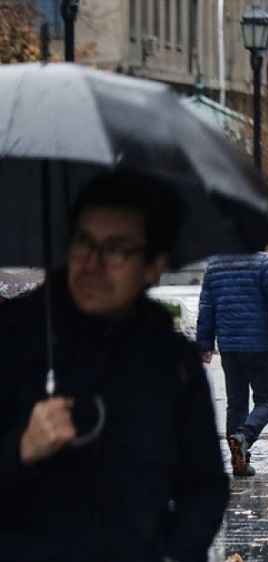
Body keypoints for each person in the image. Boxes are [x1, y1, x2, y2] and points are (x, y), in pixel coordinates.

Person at [0, 172, 229, 561]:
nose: (91, 264)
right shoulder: (14, 339)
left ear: (153, 266)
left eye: (115, 250)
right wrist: (20, 449)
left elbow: (204, 485)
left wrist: (174, 553)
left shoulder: (171, 362)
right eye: (83, 243)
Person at [197, 252, 268, 477]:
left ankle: (239, 461)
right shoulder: (265, 264)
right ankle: (243, 437)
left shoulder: (215, 266)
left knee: (236, 403)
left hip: (229, 347)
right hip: (260, 345)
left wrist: (204, 343)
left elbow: (206, 307)